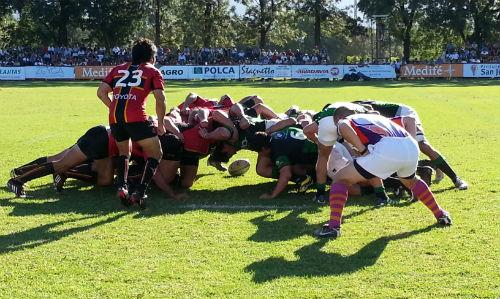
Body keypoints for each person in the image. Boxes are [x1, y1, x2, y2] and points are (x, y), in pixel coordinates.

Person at [314, 107, 452, 238]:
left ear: (338, 117)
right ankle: (441, 214)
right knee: (410, 180)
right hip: (410, 146)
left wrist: (362, 150)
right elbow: (409, 119)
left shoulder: (346, 119)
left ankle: (333, 227)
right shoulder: (374, 117)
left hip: (387, 148)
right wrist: (411, 143)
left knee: (340, 179)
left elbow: (343, 126)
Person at [97, 38, 166, 208]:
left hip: (115, 118)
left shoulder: (118, 69)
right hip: (137, 118)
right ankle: (140, 192)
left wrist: (113, 107)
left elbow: (101, 93)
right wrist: (161, 123)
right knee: (156, 153)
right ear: (151, 56)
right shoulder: (153, 71)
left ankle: (122, 187)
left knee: (124, 153)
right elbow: (160, 99)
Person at [353, 100, 468, 190]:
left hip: (403, 114)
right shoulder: (347, 112)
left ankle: (456, 179)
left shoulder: (352, 109)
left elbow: (375, 113)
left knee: (422, 145)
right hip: (386, 121)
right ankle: (430, 165)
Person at [7, 125, 117, 197]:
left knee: (105, 180)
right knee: (61, 164)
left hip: (104, 137)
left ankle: (20, 171)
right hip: (102, 138)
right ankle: (17, 181)